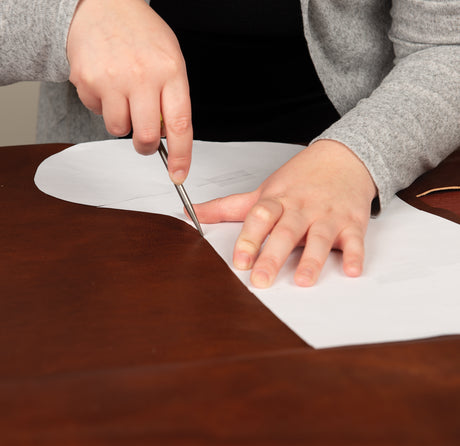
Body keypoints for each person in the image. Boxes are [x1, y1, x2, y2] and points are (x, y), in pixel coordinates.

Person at [2, 0, 459, 288]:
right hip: (105, 197)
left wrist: (355, 157)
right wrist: (73, 15)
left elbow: (447, 46)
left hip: (358, 168)